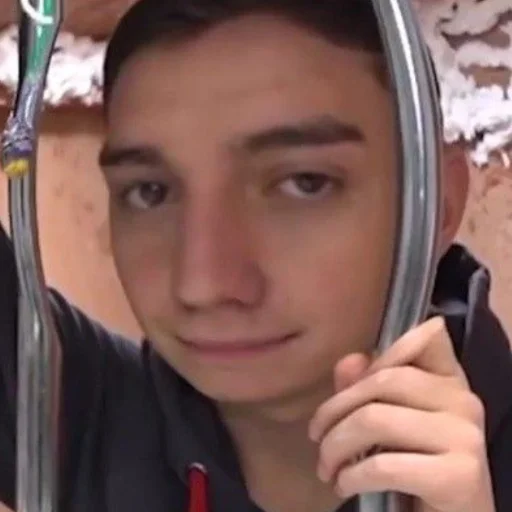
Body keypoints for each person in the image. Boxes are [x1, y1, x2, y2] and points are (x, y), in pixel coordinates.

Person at [0, 0, 511, 511]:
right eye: (150, 192)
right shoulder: (73, 407)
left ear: (439, 204)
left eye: (304, 183)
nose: (203, 284)